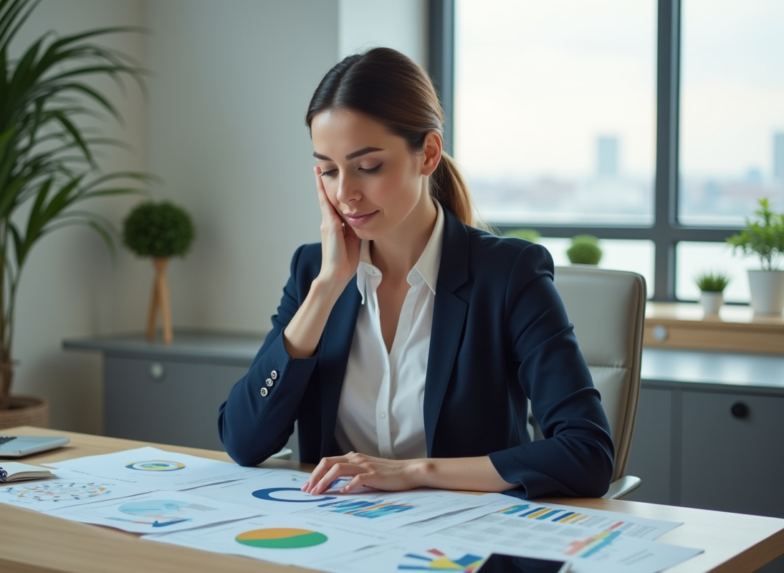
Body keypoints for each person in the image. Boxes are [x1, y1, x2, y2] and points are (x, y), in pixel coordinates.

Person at [218, 47, 614, 500]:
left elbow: (588, 454)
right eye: (328, 171)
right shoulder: (313, 270)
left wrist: (416, 471)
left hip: (462, 544)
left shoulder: (509, 275)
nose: (345, 193)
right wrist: (325, 290)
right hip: (338, 539)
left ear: (427, 154)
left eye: (368, 167)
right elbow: (243, 442)